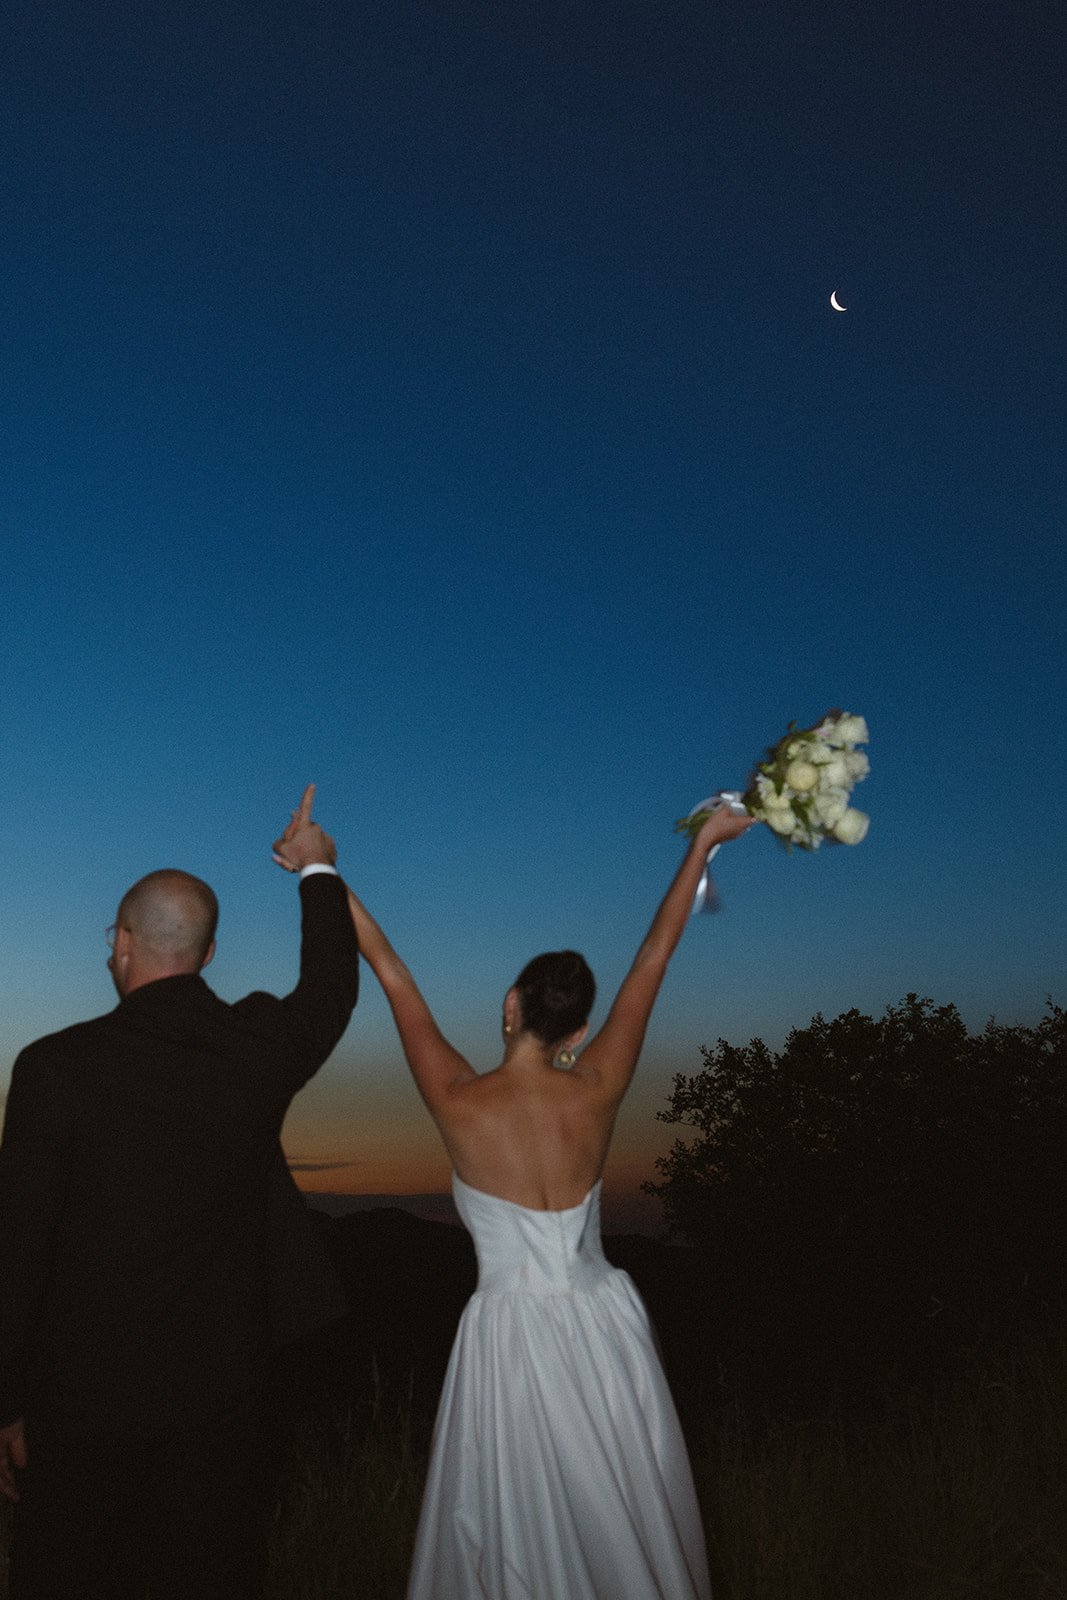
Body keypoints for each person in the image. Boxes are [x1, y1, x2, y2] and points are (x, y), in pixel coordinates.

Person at [283, 804, 752, 1600]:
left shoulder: (459, 1100)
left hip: (509, 1332)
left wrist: (317, 869)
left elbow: (392, 973)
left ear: (509, 1005)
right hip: (604, 1319)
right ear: (575, 1033)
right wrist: (704, 844)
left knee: (517, 1524)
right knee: (621, 1499)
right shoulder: (597, 1087)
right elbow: (653, 958)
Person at [0, 786, 359, 1600]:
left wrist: (6, 1401)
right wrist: (316, 867)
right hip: (222, 1406)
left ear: (121, 943)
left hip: (79, 1406)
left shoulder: (55, 1068)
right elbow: (333, 987)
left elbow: (18, 1249)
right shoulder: (254, 1048)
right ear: (207, 951)